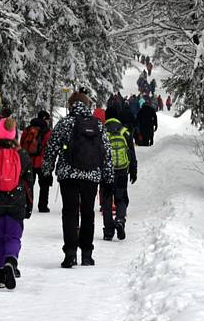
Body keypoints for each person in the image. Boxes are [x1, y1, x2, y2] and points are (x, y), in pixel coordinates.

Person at [42, 91, 113, 268]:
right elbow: (106, 153)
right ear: (87, 105)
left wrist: (46, 171)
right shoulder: (98, 125)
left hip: (69, 175)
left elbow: (51, 148)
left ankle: (70, 253)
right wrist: (108, 177)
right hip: (91, 176)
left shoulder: (65, 123)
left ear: (71, 104)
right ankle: (87, 254)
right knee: (88, 214)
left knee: (70, 213)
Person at [0, 118, 34, 289]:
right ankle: (11, 260)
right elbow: (29, 181)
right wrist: (29, 204)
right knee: (13, 236)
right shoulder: (22, 155)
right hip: (16, 201)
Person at [102, 106, 137, 241]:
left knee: (106, 200)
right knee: (121, 198)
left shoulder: (102, 131)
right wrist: (133, 169)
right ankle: (120, 220)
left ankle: (108, 231)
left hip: (107, 171)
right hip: (122, 170)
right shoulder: (124, 131)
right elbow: (131, 152)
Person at [22, 110, 53, 213]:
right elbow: (49, 146)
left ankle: (27, 204)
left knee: (29, 184)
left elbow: (22, 144)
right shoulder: (47, 131)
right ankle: (43, 206)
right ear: (45, 119)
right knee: (44, 185)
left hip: (28, 161)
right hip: (42, 162)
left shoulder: (28, 129)